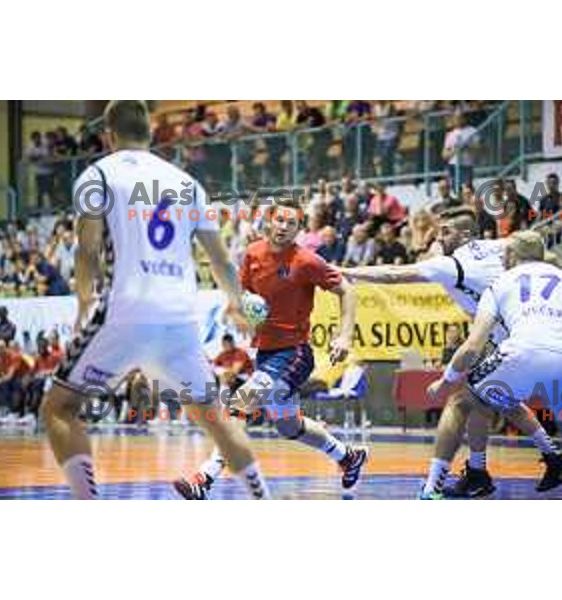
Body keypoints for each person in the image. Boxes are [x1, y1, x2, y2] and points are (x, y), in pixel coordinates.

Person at [40, 100, 269, 500]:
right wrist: (235, 300)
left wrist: (81, 303)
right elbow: (219, 259)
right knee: (215, 419)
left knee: (59, 408)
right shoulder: (187, 183)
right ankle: (264, 500)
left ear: (109, 135)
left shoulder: (98, 174)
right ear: (149, 133)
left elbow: (87, 251)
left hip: (125, 312)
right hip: (179, 321)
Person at [342, 208, 562, 498]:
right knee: (492, 400)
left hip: (519, 345)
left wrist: (345, 271)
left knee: (458, 401)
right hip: (539, 341)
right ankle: (498, 469)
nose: (439, 236)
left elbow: (393, 273)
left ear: (466, 235)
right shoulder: (501, 246)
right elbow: (546, 255)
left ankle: (432, 487)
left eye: (446, 231)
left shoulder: (453, 264)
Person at [174, 198, 368, 500]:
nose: (284, 227)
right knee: (289, 426)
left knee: (240, 403)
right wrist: (239, 314)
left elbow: (347, 289)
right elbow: (240, 299)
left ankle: (205, 478)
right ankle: (347, 457)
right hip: (265, 353)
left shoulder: (306, 261)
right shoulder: (252, 254)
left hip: (294, 354)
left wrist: (345, 337)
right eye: (280, 220)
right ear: (269, 221)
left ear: (298, 229)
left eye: (292, 223)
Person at [427, 230, 562, 497]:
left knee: (464, 399)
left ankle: (442, 484)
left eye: (505, 253)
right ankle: (553, 460)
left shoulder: (500, 283)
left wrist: (445, 380)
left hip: (524, 355)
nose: (501, 257)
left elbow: (472, 346)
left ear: (513, 255)